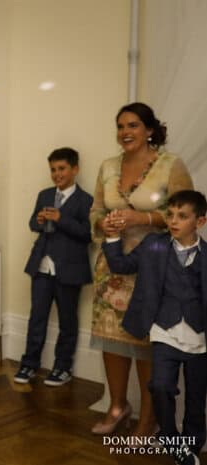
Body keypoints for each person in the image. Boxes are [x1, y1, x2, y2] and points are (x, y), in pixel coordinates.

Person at [89, 102, 193, 437]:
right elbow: (95, 210)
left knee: (149, 343)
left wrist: (143, 218)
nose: (125, 133)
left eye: (133, 125)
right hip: (111, 268)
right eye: (120, 126)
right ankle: (118, 406)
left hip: (155, 268)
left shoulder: (170, 165)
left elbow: (186, 212)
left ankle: (150, 419)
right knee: (112, 341)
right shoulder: (107, 166)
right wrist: (102, 223)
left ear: (150, 130)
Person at [103, 190, 207, 465]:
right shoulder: (154, 245)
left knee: (196, 402)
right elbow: (121, 264)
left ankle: (190, 450)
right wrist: (112, 236)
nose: (173, 221)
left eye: (182, 216)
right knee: (160, 386)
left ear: (200, 222)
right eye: (170, 214)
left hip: (199, 338)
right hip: (164, 331)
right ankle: (171, 439)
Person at [13, 147, 93, 386]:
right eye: (53, 170)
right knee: (36, 317)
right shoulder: (45, 195)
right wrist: (38, 221)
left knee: (68, 320)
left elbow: (87, 234)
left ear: (74, 169)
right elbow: (32, 223)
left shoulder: (85, 200)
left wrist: (61, 219)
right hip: (42, 267)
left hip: (70, 270)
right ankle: (29, 364)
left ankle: (62, 367)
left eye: (62, 169)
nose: (57, 174)